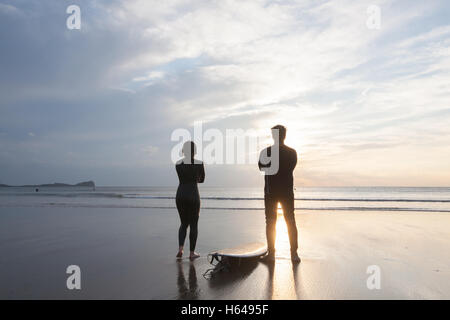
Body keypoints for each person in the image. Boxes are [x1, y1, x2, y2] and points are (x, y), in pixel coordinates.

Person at [258, 125, 300, 263]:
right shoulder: (292, 152)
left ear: (274, 136)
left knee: (271, 223)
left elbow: (262, 168)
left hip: (271, 192)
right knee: (290, 221)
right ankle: (294, 255)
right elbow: (290, 168)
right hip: (287, 191)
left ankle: (271, 255)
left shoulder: (266, 152)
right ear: (284, 135)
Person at [175, 141, 205, 260]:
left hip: (180, 194)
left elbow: (182, 177)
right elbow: (202, 179)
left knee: (183, 223)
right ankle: (192, 253)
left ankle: (180, 249)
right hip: (193, 194)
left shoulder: (178, 164)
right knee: (194, 225)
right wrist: (195, 178)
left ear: (184, 150)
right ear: (194, 151)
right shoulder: (199, 163)